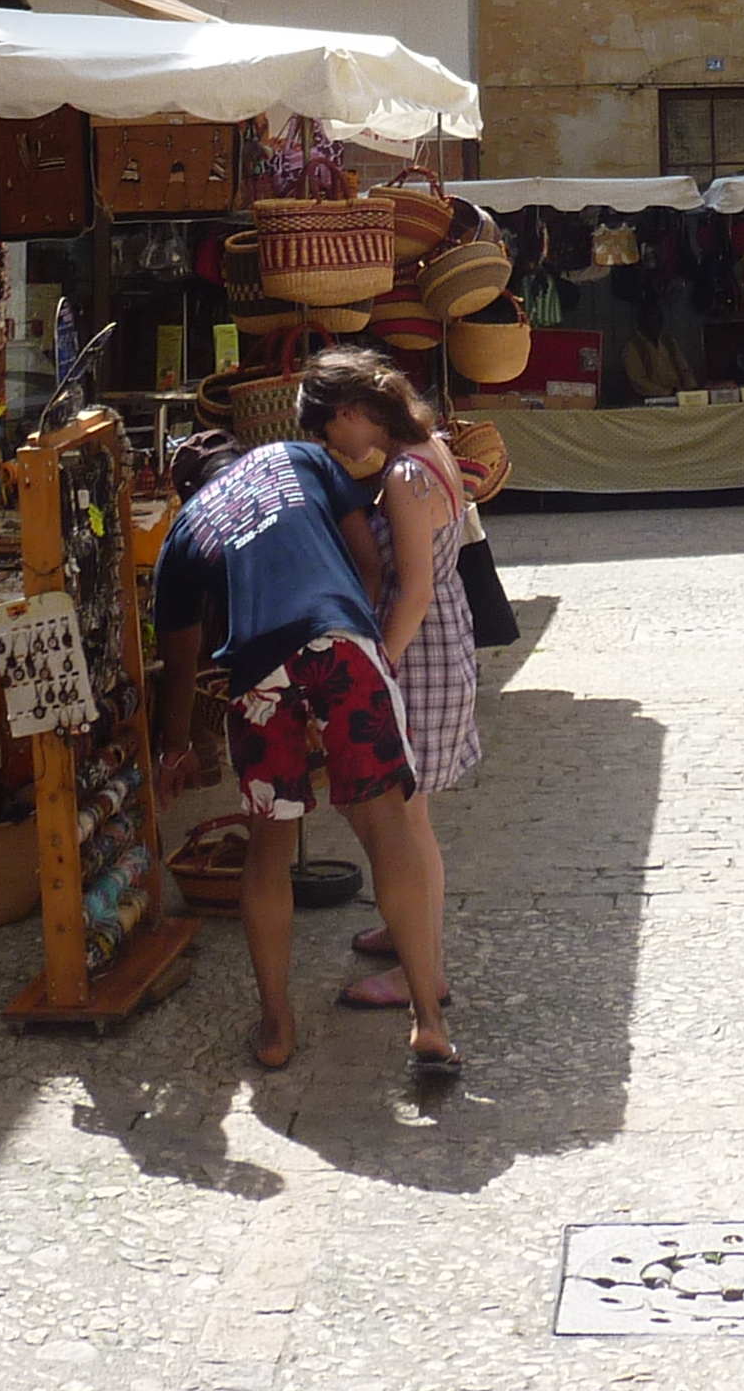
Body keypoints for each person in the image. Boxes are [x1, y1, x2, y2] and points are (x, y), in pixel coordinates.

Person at [151, 347, 457, 1079]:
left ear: (189, 489)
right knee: (388, 829)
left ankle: (277, 1023)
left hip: (258, 671)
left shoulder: (183, 531)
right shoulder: (296, 456)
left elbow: (182, 663)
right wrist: (359, 646)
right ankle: (428, 1018)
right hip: (341, 645)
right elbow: (371, 564)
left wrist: (176, 747)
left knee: (269, 845)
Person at [333, 374, 480, 1016]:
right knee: (411, 813)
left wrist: (380, 666)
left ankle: (423, 970)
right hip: (440, 637)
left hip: (418, 649)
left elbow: (414, 588)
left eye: (330, 426)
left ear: (356, 413)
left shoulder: (404, 477)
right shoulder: (430, 451)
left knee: (409, 818)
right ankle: (405, 932)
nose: (328, 441)